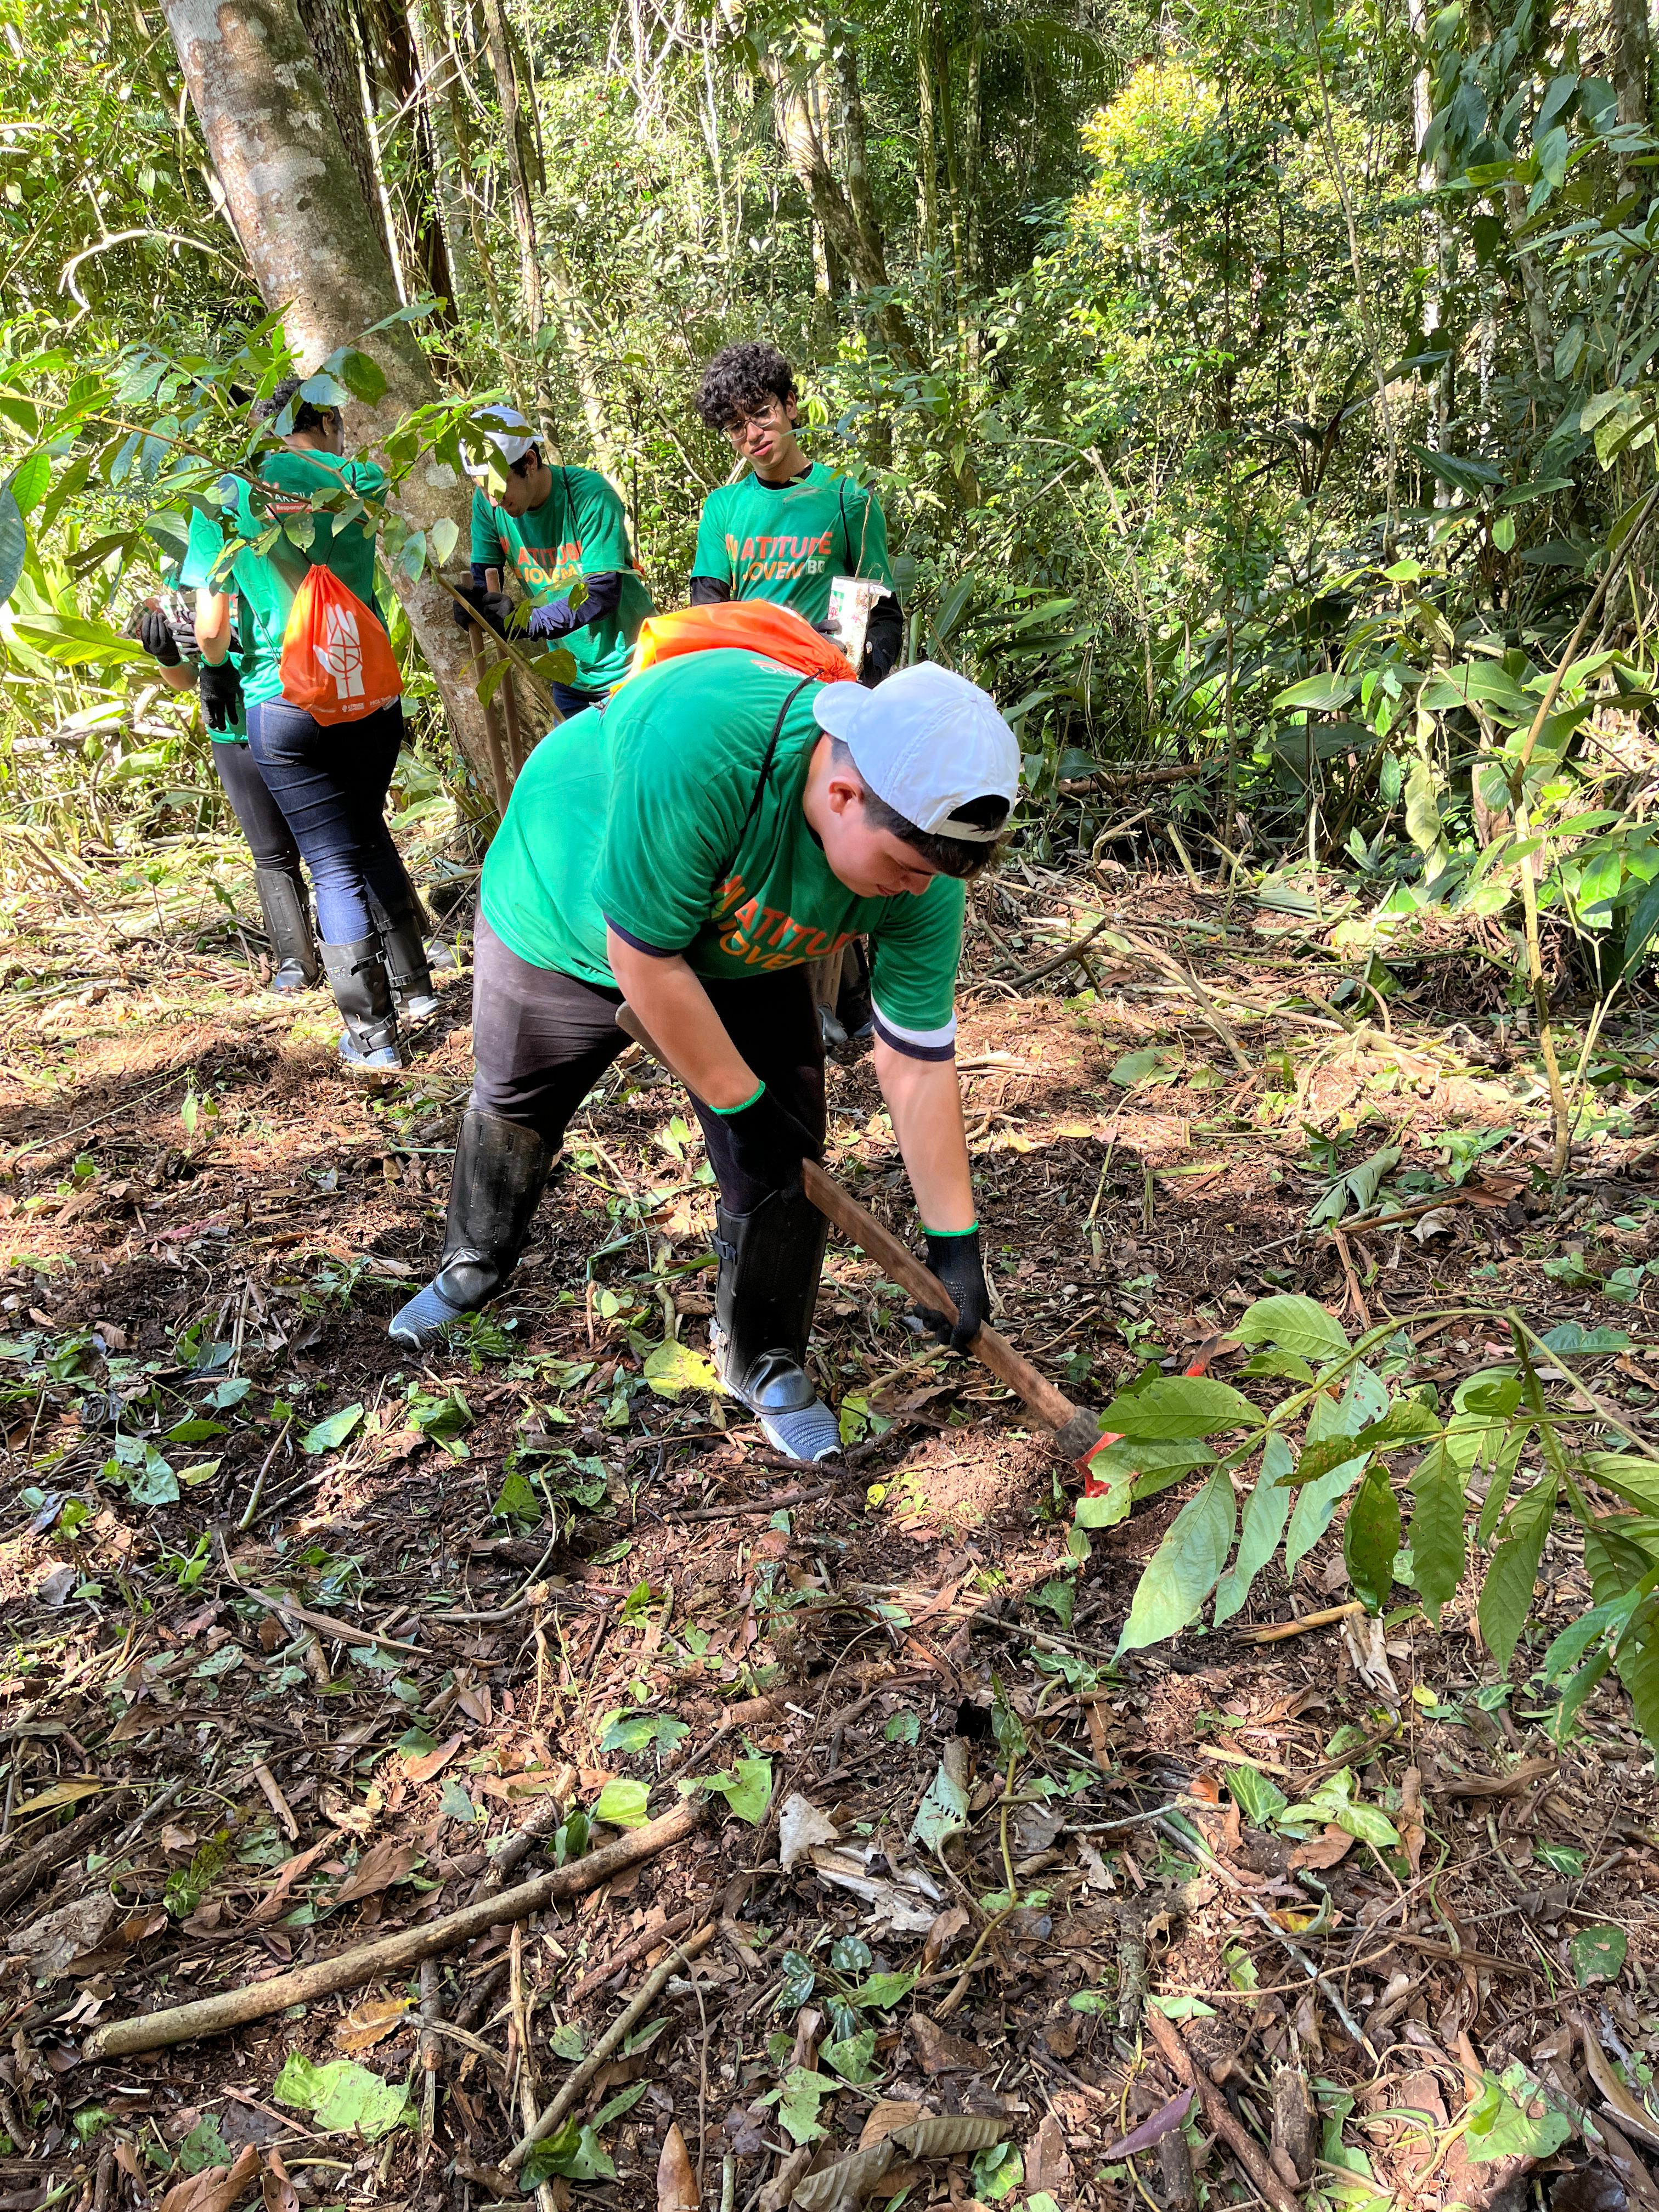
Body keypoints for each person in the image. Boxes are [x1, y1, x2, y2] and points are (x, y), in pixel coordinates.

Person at [387, 622, 1017, 1466]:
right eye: (902, 867)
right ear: (842, 796)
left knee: (789, 1158)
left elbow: (915, 1056)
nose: (913, 891)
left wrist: (955, 1245)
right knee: (518, 1098)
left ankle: (764, 1358)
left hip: (738, 947)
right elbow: (644, 958)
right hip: (563, 907)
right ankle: (475, 1259)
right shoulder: (707, 747)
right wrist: (738, 1101)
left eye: (931, 877)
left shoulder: (927, 867)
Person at [195, 380, 436, 1071]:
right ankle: (419, 990)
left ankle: (373, 1036)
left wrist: (215, 669)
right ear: (328, 420)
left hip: (285, 699)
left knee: (331, 864)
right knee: (367, 835)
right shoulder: (360, 481)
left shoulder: (227, 495)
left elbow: (211, 627)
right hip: (368, 691)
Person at [129, 564, 319, 994]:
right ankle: (295, 958)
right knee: (270, 850)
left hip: (290, 710)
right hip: (232, 730)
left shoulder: (261, 560)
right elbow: (182, 681)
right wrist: (165, 654)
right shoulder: (178, 586)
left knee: (340, 839)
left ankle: (395, 937)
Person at [689, 342, 902, 686]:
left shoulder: (848, 498)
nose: (753, 435)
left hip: (827, 682)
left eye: (761, 413)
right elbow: (708, 615)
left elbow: (884, 615)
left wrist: (860, 680)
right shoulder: (722, 506)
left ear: (789, 404)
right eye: (735, 427)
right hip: (752, 683)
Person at [454, 405, 655, 720]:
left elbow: (601, 594)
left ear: (529, 462)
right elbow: (485, 578)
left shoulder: (591, 496)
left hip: (636, 665)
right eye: (482, 487)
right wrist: (472, 603)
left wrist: (525, 622)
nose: (493, 500)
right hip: (570, 677)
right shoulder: (489, 504)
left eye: (498, 484)